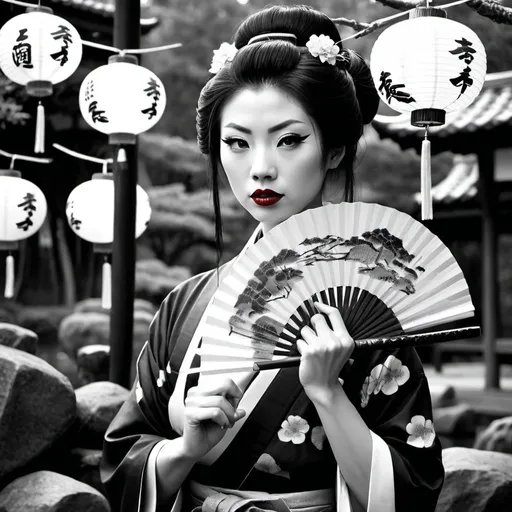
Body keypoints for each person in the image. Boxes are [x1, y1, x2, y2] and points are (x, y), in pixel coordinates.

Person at [101, 5, 444, 512]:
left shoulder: (375, 306)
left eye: (289, 140)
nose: (260, 168)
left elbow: (413, 489)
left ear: (333, 150)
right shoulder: (186, 304)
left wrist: (328, 394)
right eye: (237, 143)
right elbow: (124, 460)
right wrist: (184, 450)